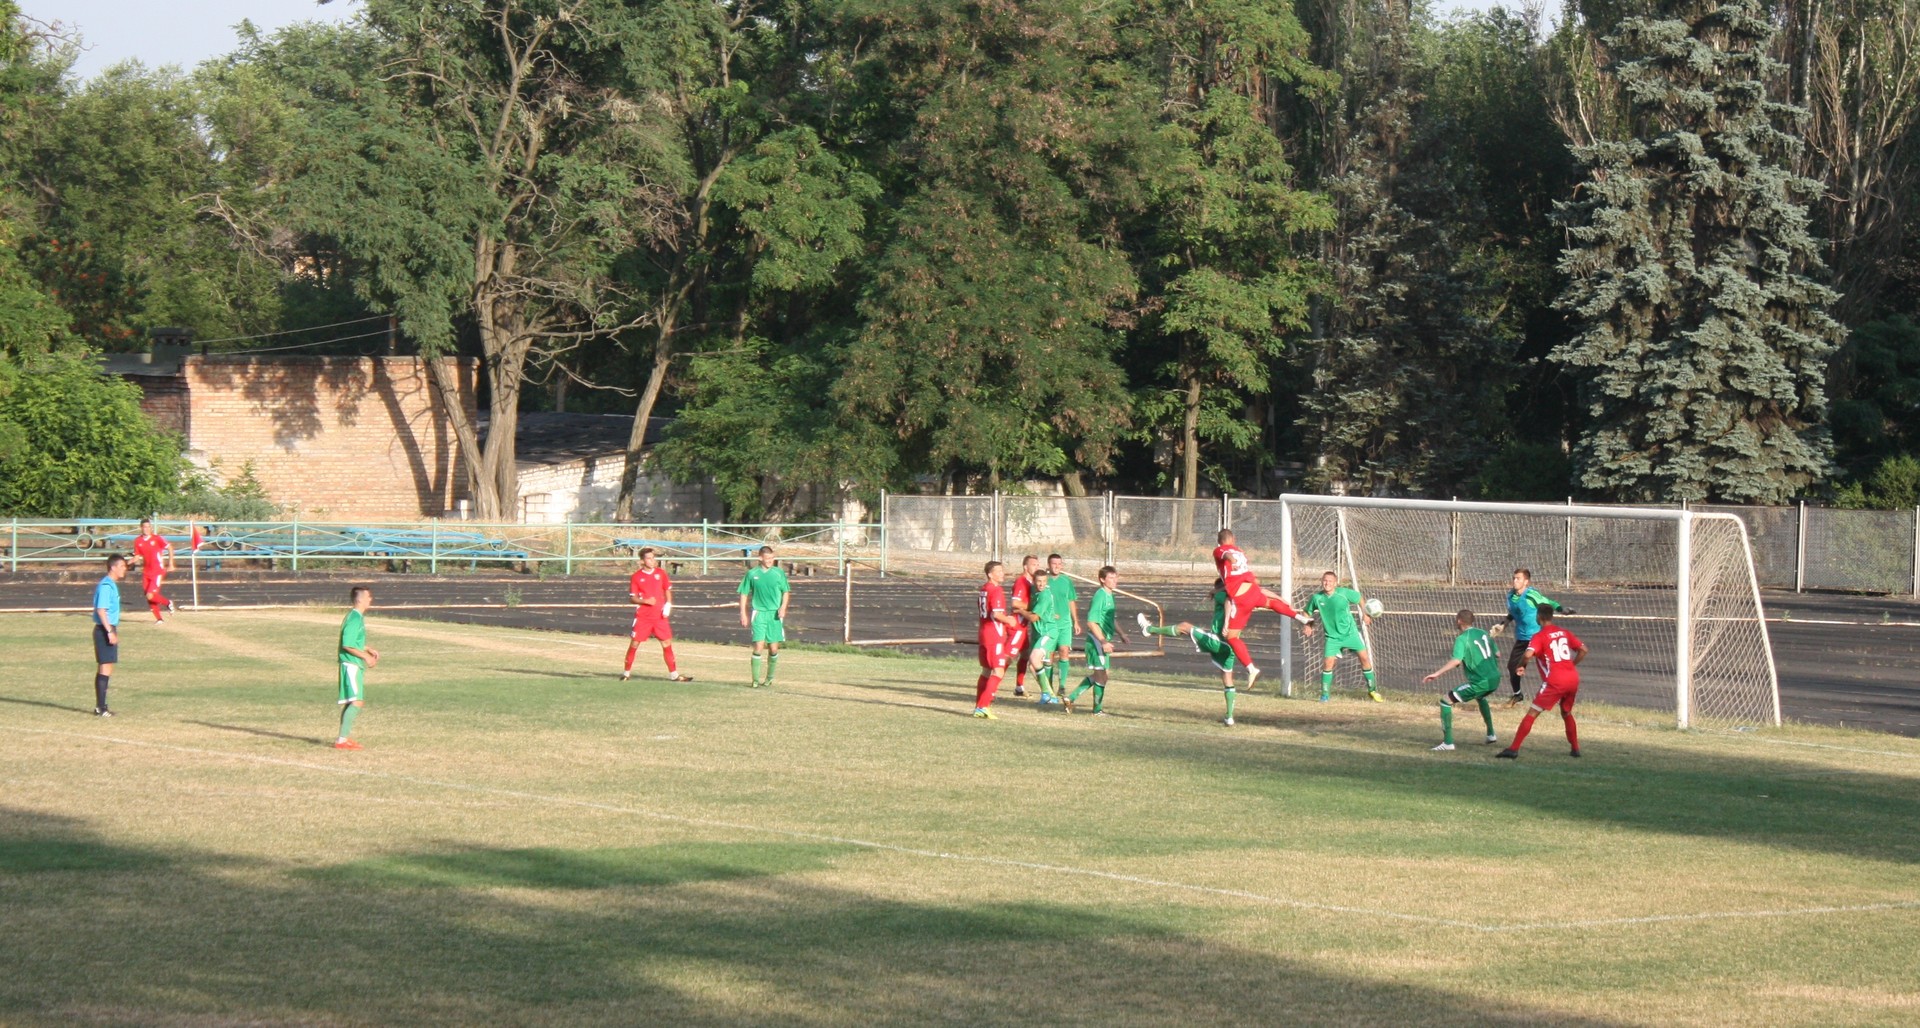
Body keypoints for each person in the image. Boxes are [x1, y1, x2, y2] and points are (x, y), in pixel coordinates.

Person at [1211, 529, 1310, 690]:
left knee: (1231, 636)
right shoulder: (1240, 551)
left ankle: (1251, 668)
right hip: (1253, 590)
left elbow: (1225, 555)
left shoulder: (1220, 550)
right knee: (1270, 603)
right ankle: (1301, 618)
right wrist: (1279, 597)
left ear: (1219, 541)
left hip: (1240, 597)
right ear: (1234, 539)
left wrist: (1230, 560)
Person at [1138, 578, 1240, 724]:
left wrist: (1225, 620)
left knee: (1184, 626)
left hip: (1218, 641)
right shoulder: (1241, 599)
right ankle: (1229, 717)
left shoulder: (1223, 594)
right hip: (1232, 646)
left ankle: (1149, 629)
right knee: (1227, 677)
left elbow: (1226, 600)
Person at [1498, 604, 1587, 759]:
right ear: (1551, 616)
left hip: (1555, 680)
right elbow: (1584, 650)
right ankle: (1575, 749)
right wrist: (1572, 665)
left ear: (1538, 616)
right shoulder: (1564, 632)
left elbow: (1528, 654)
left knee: (1532, 712)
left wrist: (1521, 666)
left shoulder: (1539, 636)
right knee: (1566, 712)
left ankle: (1513, 749)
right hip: (1572, 678)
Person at [1421, 610, 1502, 751]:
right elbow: (1498, 654)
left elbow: (1456, 660)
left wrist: (1437, 673)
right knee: (1480, 697)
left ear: (1459, 621)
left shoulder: (1462, 638)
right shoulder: (1483, 633)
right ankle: (1491, 734)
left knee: (1445, 701)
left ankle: (1447, 743)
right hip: (1495, 678)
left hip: (1480, 681)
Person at [1490, 569, 1566, 706]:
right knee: (1512, 666)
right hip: (1522, 638)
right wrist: (1503, 625)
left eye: (1518, 579)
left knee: (1550, 667)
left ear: (1526, 581)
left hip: (1538, 637)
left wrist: (1561, 609)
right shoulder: (1511, 596)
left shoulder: (1531, 594)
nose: (1515, 581)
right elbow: (1513, 613)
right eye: (1514, 578)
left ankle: (1561, 695)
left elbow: (1548, 602)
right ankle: (1517, 695)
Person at [1301, 570, 1380, 702]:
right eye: (1325, 580)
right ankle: (1325, 695)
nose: (1327, 583)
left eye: (1330, 581)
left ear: (1335, 583)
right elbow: (1306, 612)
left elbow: (1359, 598)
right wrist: (1307, 625)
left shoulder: (1343, 593)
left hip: (1351, 633)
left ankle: (1372, 691)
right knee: (1328, 663)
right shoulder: (1317, 598)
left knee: (1364, 658)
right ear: (1322, 581)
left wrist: (1365, 613)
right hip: (1332, 637)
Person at [1066, 566, 1129, 715]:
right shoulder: (1100, 595)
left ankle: (1070, 698)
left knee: (1102, 674)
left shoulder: (1109, 595)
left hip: (1102, 641)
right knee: (1102, 676)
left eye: (1116, 577)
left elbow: (1110, 619)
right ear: (1102, 579)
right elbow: (1091, 622)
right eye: (1111, 578)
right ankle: (1097, 710)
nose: (1115, 581)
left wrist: (1121, 633)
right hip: (1096, 642)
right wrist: (1102, 641)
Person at [625, 547, 692, 682]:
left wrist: (668, 604)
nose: (652, 560)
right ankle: (626, 673)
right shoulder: (637, 577)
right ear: (642, 561)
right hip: (643, 617)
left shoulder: (661, 573)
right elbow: (632, 598)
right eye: (649, 558)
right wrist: (645, 601)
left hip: (659, 617)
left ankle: (674, 675)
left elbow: (667, 589)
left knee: (666, 643)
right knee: (635, 644)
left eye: (653, 557)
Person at [738, 545, 791, 688]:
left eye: (772, 558)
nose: (770, 561)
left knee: (773, 649)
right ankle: (755, 680)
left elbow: (786, 591)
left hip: (774, 615)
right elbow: (744, 593)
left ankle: (769, 678)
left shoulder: (778, 573)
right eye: (767, 558)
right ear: (760, 558)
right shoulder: (752, 574)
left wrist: (783, 607)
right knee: (759, 646)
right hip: (759, 614)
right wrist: (743, 613)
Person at [334, 586, 379, 750]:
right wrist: (365, 656)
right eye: (368, 597)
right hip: (351, 665)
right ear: (360, 599)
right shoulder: (354, 618)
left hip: (353, 664)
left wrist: (367, 648)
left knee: (352, 702)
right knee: (357, 702)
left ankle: (343, 738)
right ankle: (341, 741)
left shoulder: (356, 617)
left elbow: (354, 641)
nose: (370, 600)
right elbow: (347, 645)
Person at [974, 561, 1020, 718]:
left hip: (984, 633)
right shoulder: (995, 590)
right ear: (990, 574)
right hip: (994, 636)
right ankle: (983, 706)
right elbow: (996, 614)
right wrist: (1009, 620)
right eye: (998, 571)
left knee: (986, 671)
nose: (1002, 573)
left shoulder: (983, 590)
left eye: (1002, 570)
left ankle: (979, 706)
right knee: (998, 670)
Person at [89, 555, 127, 717]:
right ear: (113, 567)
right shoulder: (106, 586)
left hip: (108, 628)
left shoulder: (111, 584)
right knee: (105, 666)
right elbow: (101, 609)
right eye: (122, 566)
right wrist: (109, 631)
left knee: (108, 666)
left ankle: (101, 705)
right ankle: (101, 707)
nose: (125, 569)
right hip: (105, 629)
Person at [1039, 554, 1079, 702]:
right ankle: (1048, 687)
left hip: (1064, 624)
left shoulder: (1066, 581)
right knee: (1048, 656)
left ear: (1062, 566)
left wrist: (1076, 621)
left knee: (1064, 651)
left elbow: (1071, 601)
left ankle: (1062, 686)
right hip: (1049, 625)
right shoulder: (1044, 581)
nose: (1056, 566)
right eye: (1053, 563)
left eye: (1059, 564)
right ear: (1048, 565)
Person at [132, 518, 177, 623]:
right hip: (146, 572)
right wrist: (126, 563)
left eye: (148, 526)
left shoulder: (157, 539)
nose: (147, 529)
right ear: (141, 528)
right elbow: (137, 556)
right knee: (149, 597)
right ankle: (159, 619)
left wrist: (171, 563)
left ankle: (168, 603)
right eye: (144, 527)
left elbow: (170, 547)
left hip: (157, 571)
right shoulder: (138, 541)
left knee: (150, 595)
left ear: (151, 527)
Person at [1007, 555, 1040, 697]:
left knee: (1025, 654)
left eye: (1037, 564)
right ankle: (992, 687)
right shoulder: (1021, 582)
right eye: (1033, 564)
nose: (1036, 567)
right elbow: (1015, 604)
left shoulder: (1030, 582)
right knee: (1008, 656)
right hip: (1017, 625)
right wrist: (1034, 606)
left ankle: (1019, 687)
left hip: (1023, 626)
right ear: (1025, 567)